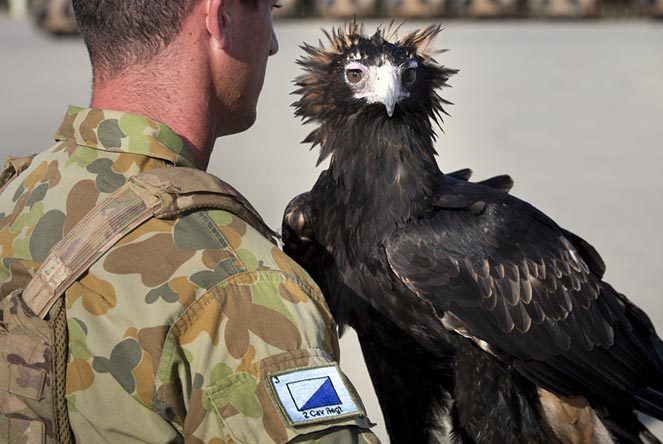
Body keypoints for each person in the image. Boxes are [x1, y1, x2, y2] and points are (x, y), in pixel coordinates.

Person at [0, 0, 379, 442]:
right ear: (219, 19)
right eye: (269, 9)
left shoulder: (15, 197)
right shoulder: (239, 289)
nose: (273, 44)